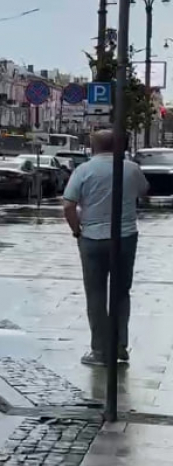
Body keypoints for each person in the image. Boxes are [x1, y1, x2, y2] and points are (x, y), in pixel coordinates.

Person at [62, 129, 149, 367]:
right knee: (121, 292)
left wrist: (77, 230)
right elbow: (144, 190)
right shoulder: (130, 168)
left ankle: (100, 350)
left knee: (96, 293)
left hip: (92, 237)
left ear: (93, 147)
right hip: (126, 236)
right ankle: (120, 345)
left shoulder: (83, 170)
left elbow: (68, 205)